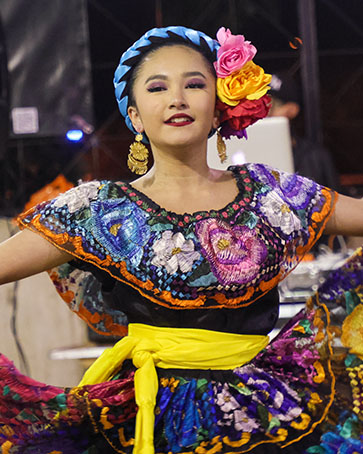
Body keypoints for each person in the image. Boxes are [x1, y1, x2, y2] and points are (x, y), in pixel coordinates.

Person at [0, 25, 363, 454]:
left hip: (264, 416)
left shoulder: (270, 193)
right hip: (146, 417)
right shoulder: (98, 208)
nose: (177, 98)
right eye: (157, 87)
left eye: (194, 84)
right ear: (134, 115)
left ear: (218, 108)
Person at [269, 72, 340, 191]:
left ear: (292, 110)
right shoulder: (244, 152)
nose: (263, 113)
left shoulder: (314, 156)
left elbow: (334, 201)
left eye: (271, 106)